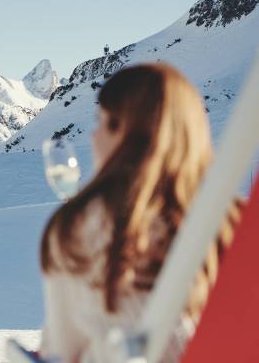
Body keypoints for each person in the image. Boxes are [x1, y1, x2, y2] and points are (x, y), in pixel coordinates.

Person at [37, 64, 240, 363]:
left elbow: (61, 352)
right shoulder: (235, 222)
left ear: (125, 133)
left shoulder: (82, 227)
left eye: (101, 123)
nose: (93, 138)